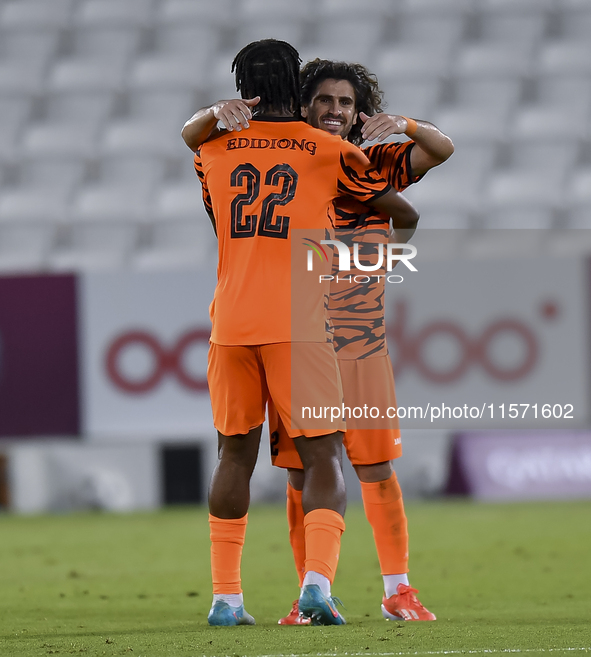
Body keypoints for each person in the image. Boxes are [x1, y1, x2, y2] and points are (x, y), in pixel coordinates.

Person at [182, 41, 419, 627]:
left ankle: (225, 600)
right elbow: (391, 202)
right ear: (300, 86)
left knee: (233, 457)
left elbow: (194, 145)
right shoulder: (330, 151)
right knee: (322, 456)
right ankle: (316, 586)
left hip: (230, 323)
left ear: (245, 89)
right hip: (299, 325)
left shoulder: (212, 147)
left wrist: (217, 115)